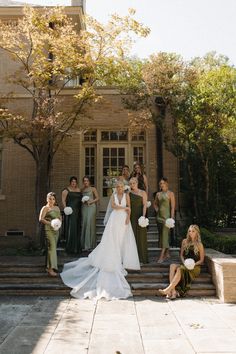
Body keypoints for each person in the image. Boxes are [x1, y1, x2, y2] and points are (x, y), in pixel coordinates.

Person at [60, 181, 140, 300]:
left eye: (121, 186)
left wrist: (128, 218)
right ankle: (115, 257)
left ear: (124, 187)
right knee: (114, 239)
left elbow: (130, 208)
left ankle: (122, 258)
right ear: (116, 188)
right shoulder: (113, 196)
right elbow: (113, 206)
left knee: (122, 239)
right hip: (115, 219)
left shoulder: (126, 195)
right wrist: (124, 208)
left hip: (123, 219)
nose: (120, 188)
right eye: (118, 186)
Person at [159, 225, 205, 299]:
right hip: (185, 264)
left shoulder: (199, 244)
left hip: (195, 267)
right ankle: (173, 291)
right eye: (189, 231)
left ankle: (168, 290)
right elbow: (181, 255)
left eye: (193, 231)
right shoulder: (184, 241)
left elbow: (201, 260)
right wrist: (184, 262)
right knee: (172, 266)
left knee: (179, 269)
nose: (191, 233)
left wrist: (192, 264)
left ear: (197, 232)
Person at [39, 192, 61, 277]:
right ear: (47, 199)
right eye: (50, 199)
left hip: (56, 230)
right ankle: (50, 269)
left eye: (53, 199)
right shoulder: (45, 208)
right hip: (48, 229)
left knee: (53, 248)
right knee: (51, 247)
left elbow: (59, 218)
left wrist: (59, 224)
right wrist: (51, 223)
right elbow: (41, 219)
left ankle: (50, 267)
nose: (51, 201)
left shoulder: (57, 208)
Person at [154, 177, 175, 263]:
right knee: (162, 235)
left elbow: (173, 207)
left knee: (165, 235)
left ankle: (161, 256)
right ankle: (167, 252)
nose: (161, 185)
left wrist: (172, 218)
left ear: (166, 184)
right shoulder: (158, 194)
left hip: (167, 218)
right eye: (160, 184)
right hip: (159, 217)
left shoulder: (171, 194)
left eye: (163, 183)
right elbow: (155, 204)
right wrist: (157, 210)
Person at [129, 177, 148, 264]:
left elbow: (144, 205)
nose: (132, 185)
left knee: (141, 236)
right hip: (132, 216)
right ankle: (133, 258)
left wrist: (143, 217)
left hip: (140, 216)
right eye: (131, 183)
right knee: (132, 236)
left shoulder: (143, 192)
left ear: (137, 183)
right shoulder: (129, 193)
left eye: (134, 183)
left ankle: (142, 257)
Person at [62, 176, 82, 254]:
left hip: (78, 211)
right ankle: (70, 247)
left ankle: (77, 247)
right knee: (72, 228)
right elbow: (63, 200)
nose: (74, 183)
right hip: (71, 211)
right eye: (72, 182)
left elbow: (81, 199)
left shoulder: (79, 190)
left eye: (75, 182)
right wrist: (65, 209)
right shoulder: (66, 190)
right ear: (70, 182)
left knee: (77, 228)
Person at [81, 176, 99, 251]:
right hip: (84, 207)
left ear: (89, 182)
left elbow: (97, 198)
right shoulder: (82, 190)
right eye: (84, 181)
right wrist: (83, 201)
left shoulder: (93, 189)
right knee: (85, 223)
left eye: (87, 181)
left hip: (91, 207)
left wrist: (91, 202)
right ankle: (84, 244)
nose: (86, 182)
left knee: (90, 223)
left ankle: (90, 244)